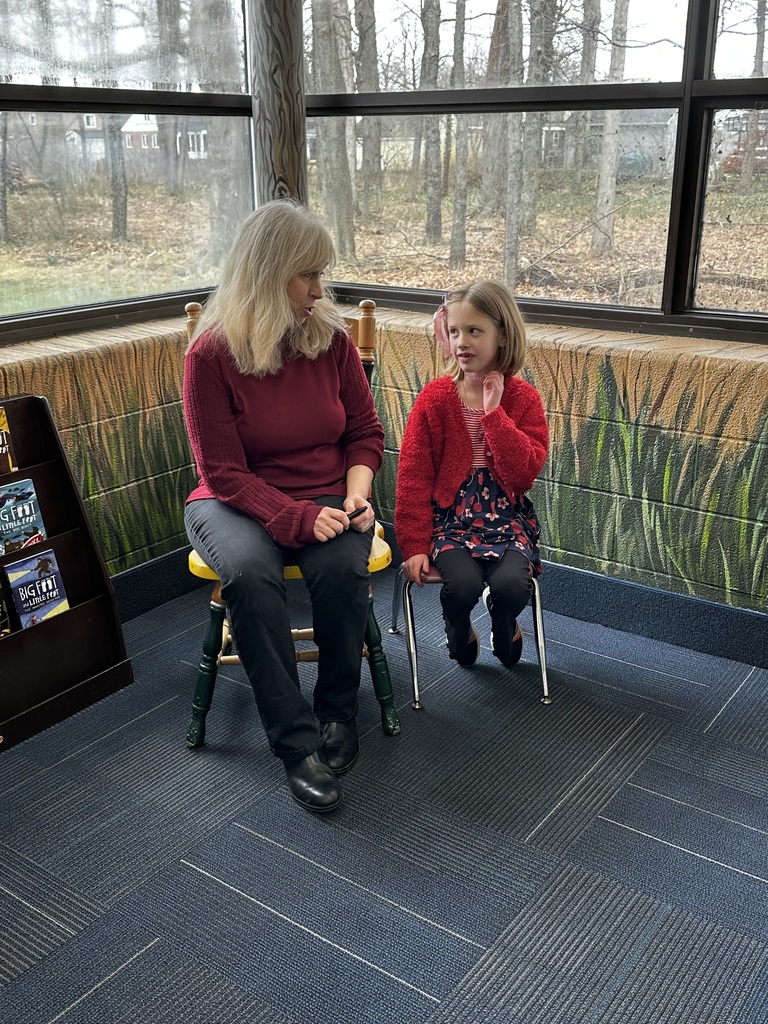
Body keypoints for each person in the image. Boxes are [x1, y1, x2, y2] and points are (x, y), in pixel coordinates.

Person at [183, 199, 384, 814]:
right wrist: (294, 518)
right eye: (307, 276)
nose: (319, 291)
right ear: (269, 276)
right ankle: (297, 746)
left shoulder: (333, 340)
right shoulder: (210, 355)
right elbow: (221, 472)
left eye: (323, 274)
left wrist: (357, 492)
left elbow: (364, 434)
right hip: (233, 500)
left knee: (342, 568)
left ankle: (337, 713)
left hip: (327, 489)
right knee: (248, 574)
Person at [395, 279, 548, 669]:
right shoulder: (434, 399)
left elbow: (524, 474)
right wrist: (413, 545)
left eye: (474, 331)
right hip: (452, 520)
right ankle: (458, 626)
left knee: (512, 586)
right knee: (460, 587)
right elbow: (412, 477)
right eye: (455, 331)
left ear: (502, 335)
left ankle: (503, 622)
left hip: (506, 518)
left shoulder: (523, 398)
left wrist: (494, 415)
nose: (462, 341)